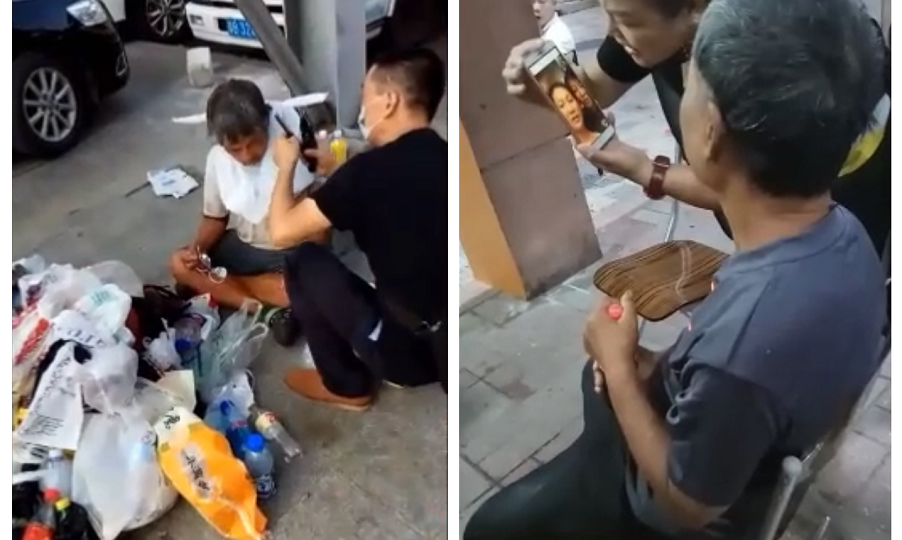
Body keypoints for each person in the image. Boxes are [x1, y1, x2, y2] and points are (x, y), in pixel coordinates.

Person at [466, 0, 888, 538]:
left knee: (490, 527)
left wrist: (620, 367)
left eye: (689, 86)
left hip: (659, 505)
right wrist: (656, 367)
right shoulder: (847, 234)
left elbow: (690, 504)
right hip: (731, 420)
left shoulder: (744, 341)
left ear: (710, 130)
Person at [503, 0, 890, 255]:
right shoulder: (653, 26)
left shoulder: (766, 64)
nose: (613, 34)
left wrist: (639, 167)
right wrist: (547, 82)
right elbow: (593, 89)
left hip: (846, 192)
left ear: (695, 9)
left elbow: (746, 193)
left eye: (627, 21)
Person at [265, 48, 448, 411]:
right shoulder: (446, 155)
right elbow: (400, 185)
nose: (361, 106)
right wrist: (344, 166)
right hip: (446, 348)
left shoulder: (363, 176)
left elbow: (281, 230)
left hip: (407, 356)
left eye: (366, 92)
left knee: (302, 260)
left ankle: (345, 384)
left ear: (390, 101)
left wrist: (285, 166)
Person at [168, 79, 320, 345]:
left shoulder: (292, 146)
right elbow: (215, 217)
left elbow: (319, 229)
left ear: (265, 126)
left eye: (253, 143)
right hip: (244, 245)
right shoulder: (218, 159)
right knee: (179, 263)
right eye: (235, 149)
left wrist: (315, 265)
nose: (246, 155)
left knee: (302, 287)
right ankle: (265, 311)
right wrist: (198, 249)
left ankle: (218, 288)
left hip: (289, 252)